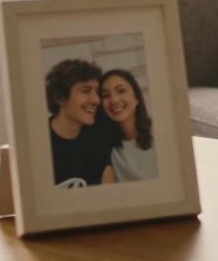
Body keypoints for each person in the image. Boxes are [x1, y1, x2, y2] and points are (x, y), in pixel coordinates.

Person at [45, 58, 113, 188]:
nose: (96, 100)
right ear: (59, 98)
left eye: (97, 92)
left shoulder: (98, 137)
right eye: (86, 91)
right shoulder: (38, 144)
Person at [99, 69, 158, 182]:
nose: (114, 100)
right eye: (106, 95)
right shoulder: (107, 148)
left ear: (137, 98)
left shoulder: (160, 132)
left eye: (121, 91)